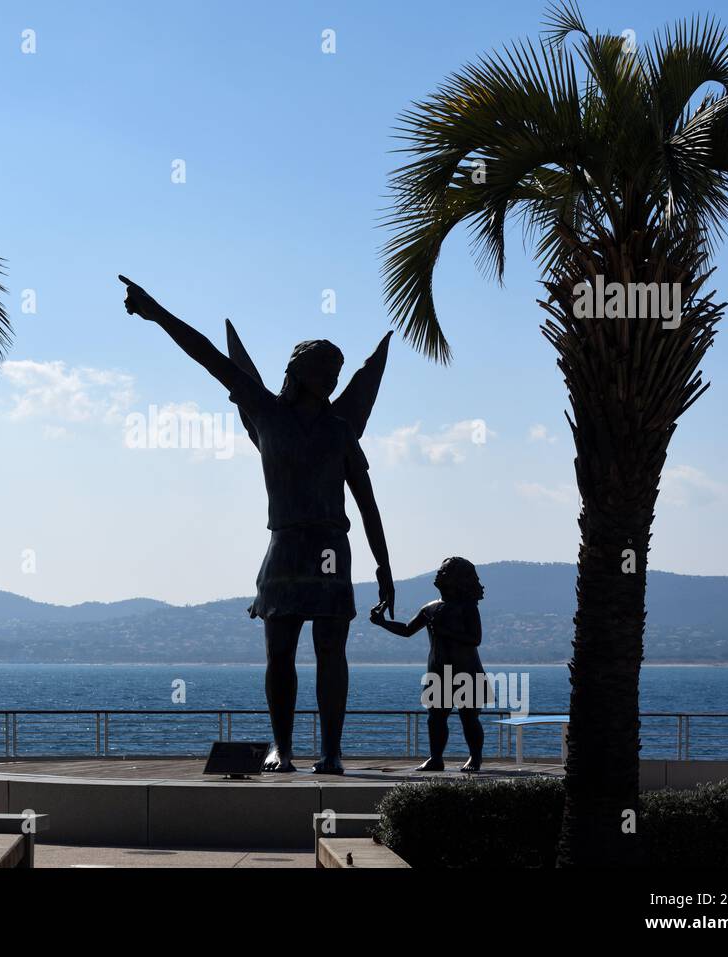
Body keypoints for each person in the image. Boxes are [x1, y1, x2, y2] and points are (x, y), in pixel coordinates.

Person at [119, 275, 396, 774]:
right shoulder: (267, 413)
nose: (332, 377)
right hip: (285, 547)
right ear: (300, 372)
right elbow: (208, 356)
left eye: (337, 370)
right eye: (323, 368)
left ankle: (331, 751)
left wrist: (385, 569)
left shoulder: (341, 432)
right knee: (280, 653)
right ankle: (283, 748)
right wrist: (156, 313)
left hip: (332, 547)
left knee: (332, 653)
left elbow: (368, 503)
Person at [370, 556, 486, 773]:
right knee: (435, 718)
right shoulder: (430, 608)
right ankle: (436, 758)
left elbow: (475, 638)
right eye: (440, 570)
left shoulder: (467, 607)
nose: (438, 574)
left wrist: (445, 632)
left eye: (444, 572)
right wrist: (382, 622)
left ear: (456, 579)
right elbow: (407, 629)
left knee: (469, 717)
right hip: (438, 672)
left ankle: (475, 757)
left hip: (467, 670)